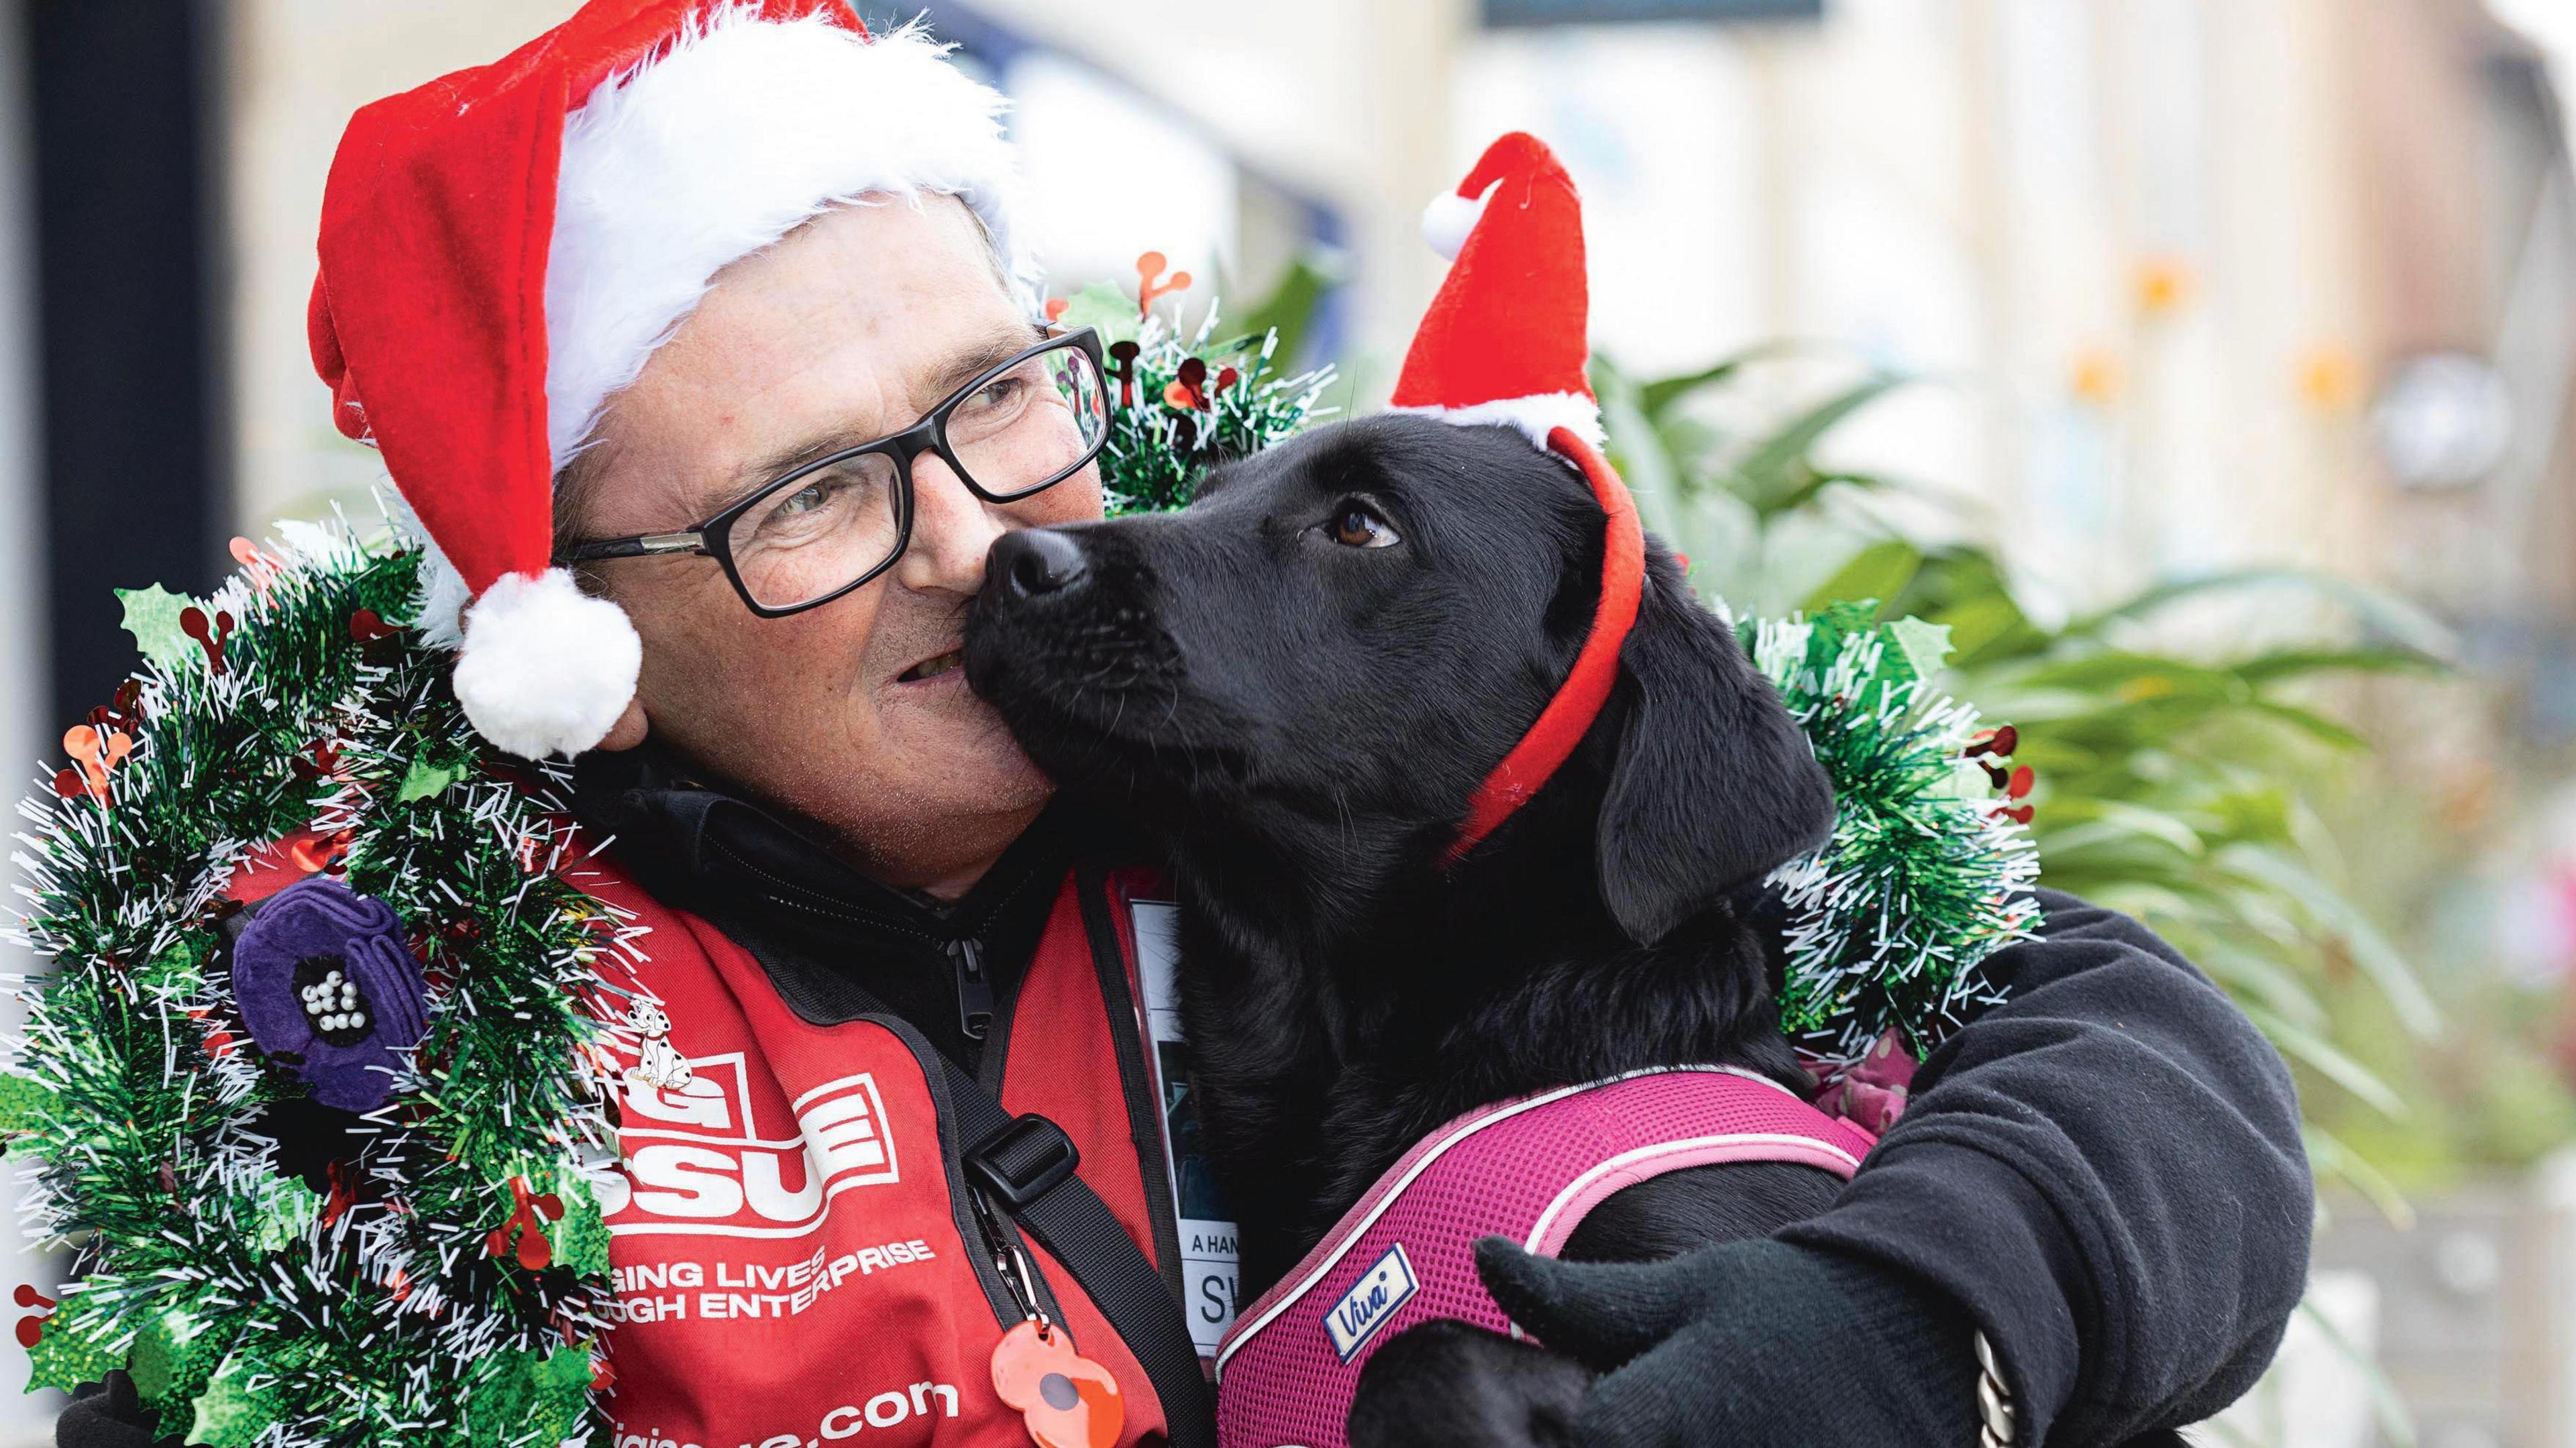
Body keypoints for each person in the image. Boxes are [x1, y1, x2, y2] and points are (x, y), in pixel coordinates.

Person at [62, 2, 2310, 1445]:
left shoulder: (1327, 776)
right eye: (816, 498)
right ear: (586, 632)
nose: (984, 543)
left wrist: (1921, 1330)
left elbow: (2129, 1047)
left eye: (993, 401)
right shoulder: (370, 1054)